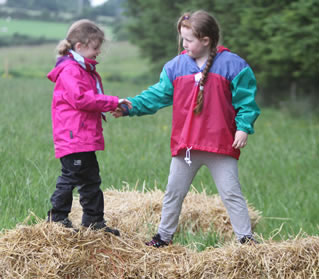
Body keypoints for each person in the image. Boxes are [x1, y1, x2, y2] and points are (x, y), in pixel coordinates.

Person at [112, 10, 260, 245]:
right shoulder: (175, 67)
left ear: (205, 40)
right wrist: (131, 107)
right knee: (173, 193)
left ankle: (246, 240)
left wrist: (243, 127)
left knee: (231, 194)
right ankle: (163, 237)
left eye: (189, 39)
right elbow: (157, 95)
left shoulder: (234, 65)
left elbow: (247, 102)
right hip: (187, 146)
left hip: (220, 144)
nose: (184, 43)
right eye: (183, 38)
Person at [47, 19, 132, 235]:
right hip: (73, 137)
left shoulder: (83, 69)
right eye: (95, 47)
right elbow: (82, 99)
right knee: (70, 177)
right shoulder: (70, 71)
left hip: (83, 137)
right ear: (80, 47)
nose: (98, 52)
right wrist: (112, 101)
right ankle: (56, 220)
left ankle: (94, 223)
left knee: (91, 180)